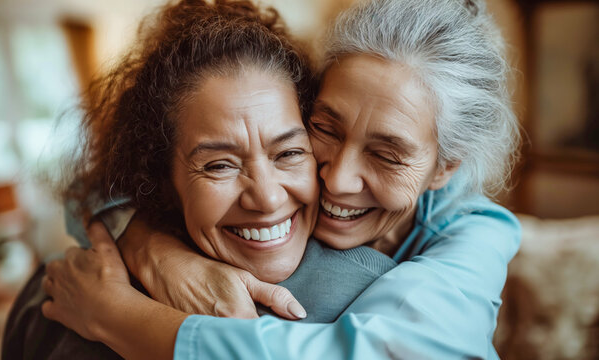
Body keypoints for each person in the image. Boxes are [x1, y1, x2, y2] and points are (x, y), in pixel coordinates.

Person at [41, 0, 522, 358]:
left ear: (444, 168)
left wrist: (117, 315)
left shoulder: (475, 236)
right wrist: (152, 249)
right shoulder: (270, 181)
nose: (336, 180)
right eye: (325, 129)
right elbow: (95, 186)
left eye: (386, 154)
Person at [1, 1, 398, 359]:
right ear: (160, 179)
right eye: (219, 165)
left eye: (289, 153)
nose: (267, 198)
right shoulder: (67, 292)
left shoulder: (375, 292)